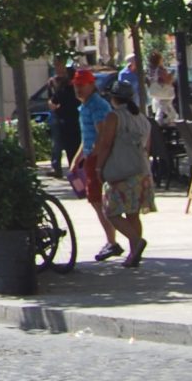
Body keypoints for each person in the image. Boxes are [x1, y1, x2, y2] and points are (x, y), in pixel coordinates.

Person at [92, 77, 155, 266]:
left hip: (121, 171)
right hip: (142, 170)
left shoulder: (114, 117)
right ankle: (134, 254)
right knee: (133, 214)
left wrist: (99, 167)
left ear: (113, 98)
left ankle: (136, 241)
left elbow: (106, 144)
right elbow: (148, 146)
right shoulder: (142, 118)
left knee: (110, 212)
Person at [78, 69, 119, 258]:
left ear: (91, 85)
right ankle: (112, 240)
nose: (78, 88)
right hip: (91, 157)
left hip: (97, 158)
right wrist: (78, 158)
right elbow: (88, 135)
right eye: (76, 85)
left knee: (98, 200)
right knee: (97, 201)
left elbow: (102, 134)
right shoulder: (86, 105)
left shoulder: (97, 105)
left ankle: (112, 242)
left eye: (82, 85)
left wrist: (95, 159)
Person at [46, 63, 82, 179]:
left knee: (69, 150)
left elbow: (53, 103)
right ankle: (80, 174)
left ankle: (75, 175)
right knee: (78, 150)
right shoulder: (78, 89)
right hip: (78, 122)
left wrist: (54, 106)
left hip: (65, 122)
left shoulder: (63, 89)